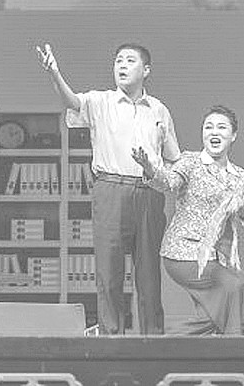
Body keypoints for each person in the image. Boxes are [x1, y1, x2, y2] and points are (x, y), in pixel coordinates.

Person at [37, 42, 181, 334]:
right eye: (118, 61)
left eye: (129, 60)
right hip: (110, 190)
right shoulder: (100, 101)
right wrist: (55, 74)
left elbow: (174, 158)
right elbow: (72, 102)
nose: (122, 66)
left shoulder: (159, 110)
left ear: (146, 70)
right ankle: (111, 340)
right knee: (109, 272)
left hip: (149, 192)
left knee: (149, 276)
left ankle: (153, 342)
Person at [131, 105, 244, 335]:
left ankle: (165, 346)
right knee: (232, 286)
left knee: (212, 317)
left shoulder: (240, 176)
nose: (214, 132)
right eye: (208, 127)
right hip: (183, 253)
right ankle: (234, 349)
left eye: (221, 127)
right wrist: (151, 169)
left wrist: (241, 207)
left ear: (233, 135)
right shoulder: (190, 161)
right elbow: (169, 183)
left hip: (217, 257)